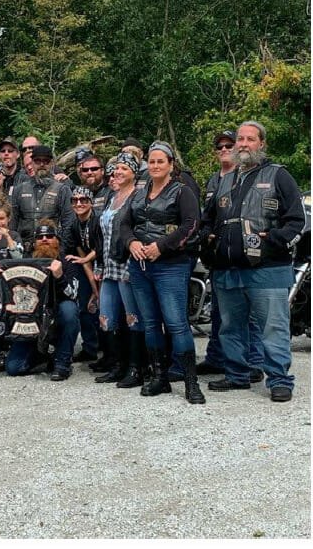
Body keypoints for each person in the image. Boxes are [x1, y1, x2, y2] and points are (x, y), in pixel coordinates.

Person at [200, 121, 305, 402]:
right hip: (227, 268)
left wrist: (272, 240)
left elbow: (297, 221)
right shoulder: (224, 180)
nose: (243, 144)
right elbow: (207, 220)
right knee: (230, 326)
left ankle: (280, 380)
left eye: (250, 139)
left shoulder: (278, 175)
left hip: (267, 269)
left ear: (262, 144)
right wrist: (208, 242)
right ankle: (237, 375)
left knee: (273, 327)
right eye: (240, 140)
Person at [118, 141, 205, 405]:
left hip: (171, 265)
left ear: (170, 165)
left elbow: (191, 225)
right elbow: (124, 223)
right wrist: (131, 242)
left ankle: (191, 382)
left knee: (177, 323)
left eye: (160, 162)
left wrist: (162, 246)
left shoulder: (182, 191)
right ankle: (159, 376)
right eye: (152, 161)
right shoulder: (138, 192)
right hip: (140, 266)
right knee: (150, 323)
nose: (155, 166)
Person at [195, 130, 263, 377]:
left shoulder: (246, 176)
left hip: (246, 254)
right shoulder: (214, 180)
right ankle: (216, 357)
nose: (224, 149)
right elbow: (209, 215)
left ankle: (254, 362)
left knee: (250, 313)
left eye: (228, 145)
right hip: (218, 254)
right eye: (219, 146)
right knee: (217, 310)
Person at [0, 221, 82, 380]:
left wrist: (60, 276)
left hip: (56, 316)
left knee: (70, 310)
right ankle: (43, 354)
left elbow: (73, 295)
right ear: (34, 242)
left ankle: (62, 362)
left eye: (49, 236)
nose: (45, 239)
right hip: (30, 320)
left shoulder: (68, 261)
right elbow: (6, 274)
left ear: (57, 240)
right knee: (14, 368)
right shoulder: (25, 260)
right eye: (40, 237)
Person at [92, 154, 145, 387]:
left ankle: (136, 368)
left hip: (127, 265)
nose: (118, 172)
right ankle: (116, 364)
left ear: (134, 172)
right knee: (107, 316)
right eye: (115, 169)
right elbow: (100, 235)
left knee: (132, 318)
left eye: (124, 168)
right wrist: (99, 264)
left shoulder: (138, 197)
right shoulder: (111, 197)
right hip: (108, 264)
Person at [10, 145, 75, 254]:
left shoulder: (63, 190)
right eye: (37, 161)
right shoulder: (19, 190)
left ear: (52, 163)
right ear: (32, 163)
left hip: (52, 252)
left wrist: (62, 251)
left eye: (46, 161)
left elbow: (68, 225)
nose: (41, 164)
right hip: (25, 253)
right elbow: (12, 225)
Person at [68, 186, 102, 364]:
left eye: (83, 200)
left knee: (104, 307)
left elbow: (101, 249)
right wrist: (92, 287)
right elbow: (82, 256)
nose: (79, 203)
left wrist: (98, 288)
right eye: (75, 200)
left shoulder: (98, 220)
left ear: (90, 202)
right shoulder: (74, 224)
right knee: (84, 306)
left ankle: (108, 350)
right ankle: (89, 347)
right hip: (87, 265)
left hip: (104, 263)